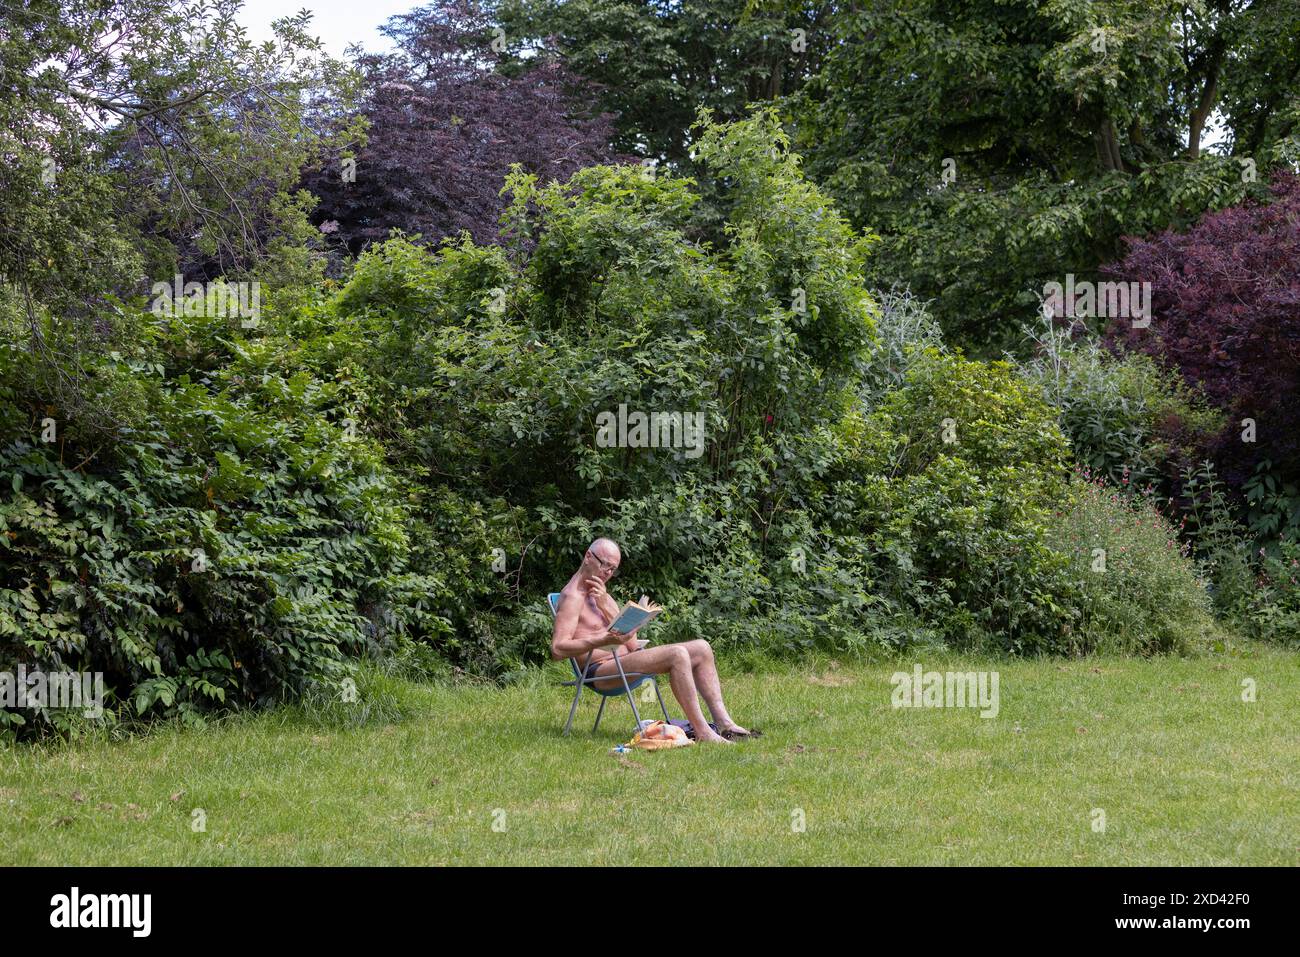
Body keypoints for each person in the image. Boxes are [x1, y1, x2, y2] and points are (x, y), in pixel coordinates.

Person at [550, 537, 758, 743]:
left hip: (624, 662)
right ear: (588, 556)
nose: (608, 573)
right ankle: (703, 732)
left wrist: (605, 604)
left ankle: (724, 723)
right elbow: (558, 650)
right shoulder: (573, 597)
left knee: (702, 648)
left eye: (613, 569)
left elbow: (631, 644)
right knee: (677, 654)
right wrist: (600, 640)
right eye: (605, 565)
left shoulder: (601, 593)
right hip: (599, 671)